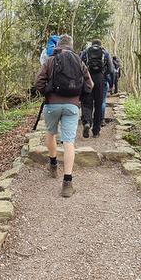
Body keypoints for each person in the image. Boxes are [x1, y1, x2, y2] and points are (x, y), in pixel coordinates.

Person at [35, 34, 93, 197]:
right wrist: (77, 97)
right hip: (72, 106)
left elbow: (38, 83)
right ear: (71, 45)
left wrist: (47, 92)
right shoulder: (79, 61)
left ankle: (53, 164)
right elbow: (90, 85)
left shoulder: (50, 60)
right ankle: (67, 183)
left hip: (52, 104)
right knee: (68, 142)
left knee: (51, 133)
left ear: (58, 45)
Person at [80, 39, 114, 137]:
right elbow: (111, 69)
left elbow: (79, 65)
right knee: (99, 104)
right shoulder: (105, 53)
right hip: (100, 79)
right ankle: (96, 131)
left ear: (92, 44)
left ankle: (87, 122)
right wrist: (104, 75)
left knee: (86, 103)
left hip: (87, 79)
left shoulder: (86, 52)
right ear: (100, 45)